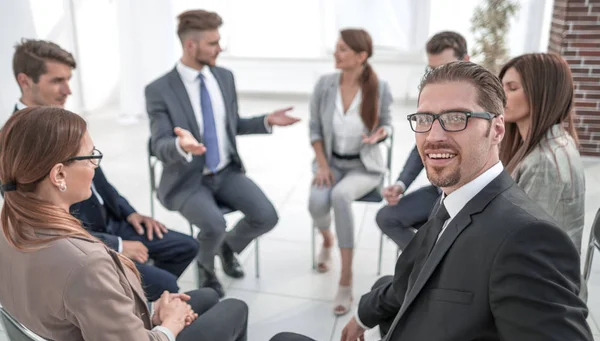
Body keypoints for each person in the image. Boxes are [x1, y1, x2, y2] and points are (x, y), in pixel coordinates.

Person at [261, 61, 600, 341]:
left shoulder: (528, 238)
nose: (433, 135)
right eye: (424, 119)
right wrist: (364, 314)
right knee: (385, 283)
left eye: (456, 118)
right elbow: (413, 271)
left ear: (496, 128)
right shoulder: (457, 194)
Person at [0, 107, 258, 341]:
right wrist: (169, 324)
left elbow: (79, 308)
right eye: (90, 157)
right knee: (235, 309)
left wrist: (148, 309)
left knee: (206, 296)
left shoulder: (11, 226)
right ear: (59, 174)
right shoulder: (84, 263)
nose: (95, 165)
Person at [11, 38, 198, 301]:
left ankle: (134, 302)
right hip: (80, 243)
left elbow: (100, 182)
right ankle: (128, 302)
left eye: (68, 79)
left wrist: (131, 214)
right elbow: (40, 223)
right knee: (166, 283)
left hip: (112, 222)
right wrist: (117, 247)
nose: (68, 90)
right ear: (25, 81)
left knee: (186, 246)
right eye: (57, 81)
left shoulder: (63, 121)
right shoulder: (14, 142)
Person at [145, 9, 300, 297]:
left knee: (266, 216)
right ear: (191, 45)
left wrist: (266, 120)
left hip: (225, 171)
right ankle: (206, 268)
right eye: (213, 43)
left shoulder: (224, 78)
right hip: (186, 179)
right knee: (214, 224)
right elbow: (159, 144)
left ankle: (227, 247)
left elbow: (231, 124)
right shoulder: (159, 90)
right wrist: (182, 146)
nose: (220, 48)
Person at [308, 28, 392, 315]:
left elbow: (387, 125)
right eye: (337, 47)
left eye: (343, 48)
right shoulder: (324, 85)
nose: (336, 52)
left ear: (361, 56)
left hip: (362, 166)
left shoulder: (380, 88)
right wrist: (322, 164)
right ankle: (327, 239)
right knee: (317, 202)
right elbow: (314, 129)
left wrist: (379, 134)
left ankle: (346, 277)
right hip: (330, 162)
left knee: (340, 196)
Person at [376, 31, 469, 253]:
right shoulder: (433, 100)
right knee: (387, 217)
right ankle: (423, 266)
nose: (438, 77)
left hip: (465, 199)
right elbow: (423, 148)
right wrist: (400, 185)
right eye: (433, 70)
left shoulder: (479, 105)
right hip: (439, 192)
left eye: (446, 68)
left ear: (465, 61)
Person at [499, 53, 585, 253]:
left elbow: (525, 241)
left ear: (541, 93)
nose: (501, 95)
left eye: (512, 88)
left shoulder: (543, 162)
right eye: (501, 86)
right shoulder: (557, 141)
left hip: (538, 277)